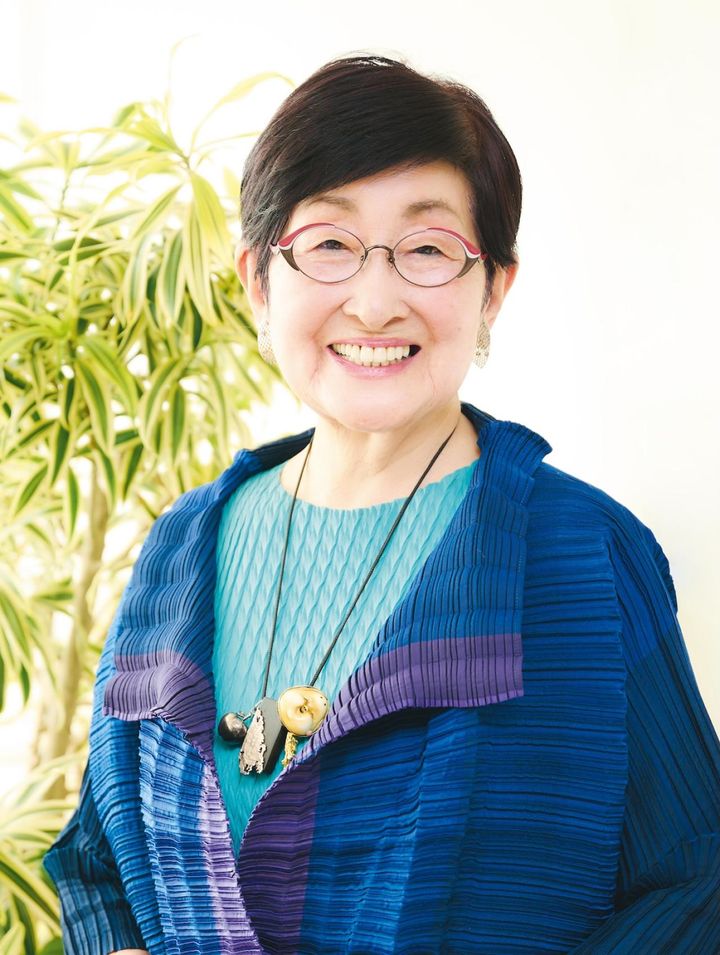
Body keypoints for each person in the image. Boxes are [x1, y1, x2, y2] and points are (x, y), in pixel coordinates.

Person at [43, 52, 720, 955]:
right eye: (328, 243)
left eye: (428, 249)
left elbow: (697, 881)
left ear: (494, 288)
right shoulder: (179, 546)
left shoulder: (586, 555)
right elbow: (96, 864)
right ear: (258, 279)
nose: (373, 302)